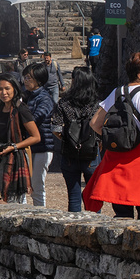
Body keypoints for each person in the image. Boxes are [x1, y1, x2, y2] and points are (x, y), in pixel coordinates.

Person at [83, 52, 140, 220]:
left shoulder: (117, 93)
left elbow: (95, 123)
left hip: (116, 158)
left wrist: (116, 138)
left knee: (122, 213)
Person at [0, 75, 40, 203]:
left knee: (16, 199)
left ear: (14, 89)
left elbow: (36, 137)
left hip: (16, 159)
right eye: (0, 89)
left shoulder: (21, 109)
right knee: (2, 197)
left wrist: (14, 147)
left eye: (7, 88)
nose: (4, 93)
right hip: (0, 157)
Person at [54, 66, 100, 212]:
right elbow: (102, 128)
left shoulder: (64, 103)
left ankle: (74, 230)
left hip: (70, 154)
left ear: (74, 81)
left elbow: (55, 128)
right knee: (93, 198)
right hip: (91, 154)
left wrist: (69, 139)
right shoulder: (97, 104)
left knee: (73, 197)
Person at [21, 63, 57, 208]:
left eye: (29, 77)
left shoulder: (45, 98)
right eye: (25, 77)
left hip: (42, 147)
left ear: (39, 80)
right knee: (23, 184)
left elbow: (36, 118)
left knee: (37, 185)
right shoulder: (27, 96)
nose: (25, 80)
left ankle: (39, 214)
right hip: (29, 146)